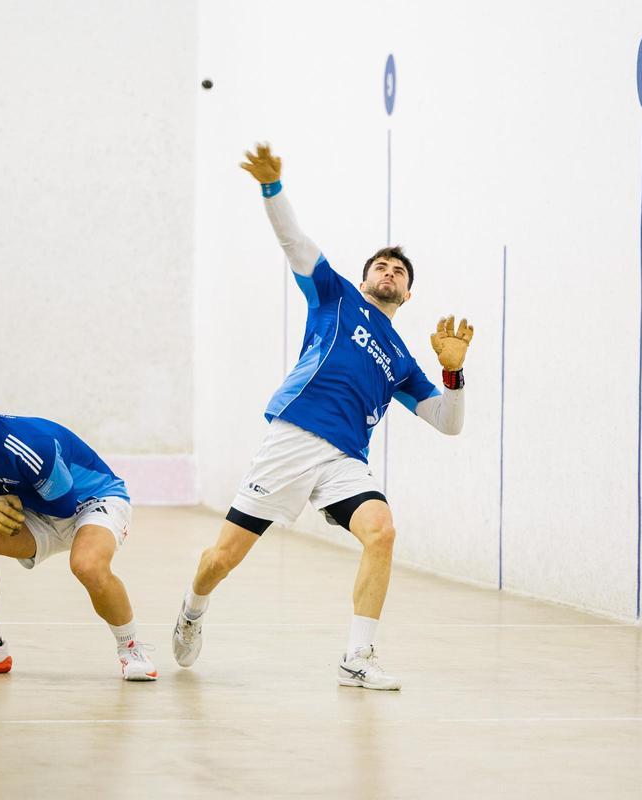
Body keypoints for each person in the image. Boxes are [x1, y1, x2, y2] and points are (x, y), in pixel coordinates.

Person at [172, 143, 474, 690]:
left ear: (408, 293)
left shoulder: (403, 360)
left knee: (381, 532)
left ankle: (357, 657)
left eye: (399, 271)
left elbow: (448, 423)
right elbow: (294, 241)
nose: (389, 272)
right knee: (223, 558)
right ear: (365, 279)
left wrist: (453, 373)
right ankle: (193, 608)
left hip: (344, 459)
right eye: (381, 266)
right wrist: (271, 187)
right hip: (293, 438)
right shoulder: (334, 296)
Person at [0, 371, 157, 681]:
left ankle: (131, 649)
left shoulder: (29, 446)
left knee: (87, 565)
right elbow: (4, 488)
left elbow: (64, 506)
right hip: (42, 508)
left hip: (91, 502)